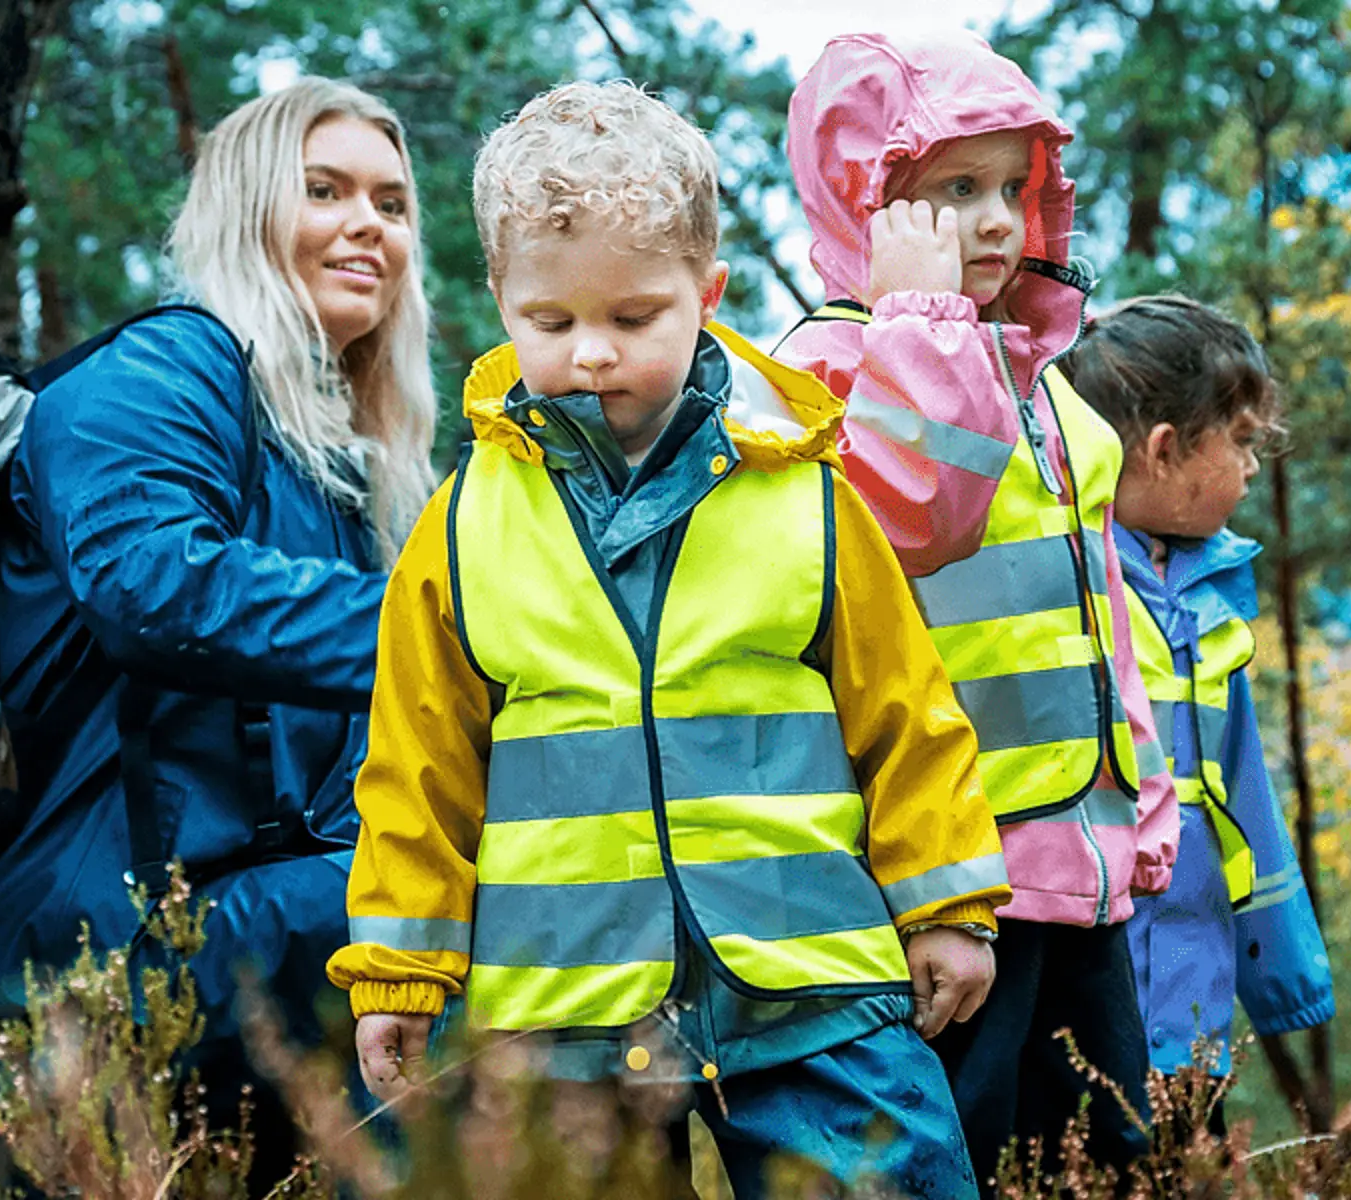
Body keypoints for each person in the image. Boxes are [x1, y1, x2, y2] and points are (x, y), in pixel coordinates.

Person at [327, 81, 1008, 1199]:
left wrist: (946, 905)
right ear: (500, 297)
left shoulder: (806, 489)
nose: (591, 353)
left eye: (634, 318)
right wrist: (400, 971)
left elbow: (905, 709)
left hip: (813, 980)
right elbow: (417, 764)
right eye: (550, 323)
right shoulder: (459, 526)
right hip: (562, 1006)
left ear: (708, 291)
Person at [0, 77, 434, 1199]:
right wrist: (454, 626)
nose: (371, 222)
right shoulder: (163, 370)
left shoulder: (338, 464)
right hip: (57, 966)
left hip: (215, 943)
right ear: (245, 211)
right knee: (442, 907)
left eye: (393, 203)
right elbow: (151, 585)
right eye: (324, 191)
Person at [776, 29, 1179, 1176]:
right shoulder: (832, 368)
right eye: (955, 191)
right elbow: (921, 515)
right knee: (964, 1153)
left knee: (1102, 1159)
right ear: (868, 205)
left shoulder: (1042, 385)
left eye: (1015, 187)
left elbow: (1102, 620)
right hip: (955, 883)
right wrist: (921, 325)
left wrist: (1140, 795)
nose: (1000, 220)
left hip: (1076, 870)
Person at [1061, 296, 1336, 1094]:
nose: (1254, 468)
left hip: (1194, 996)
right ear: (1164, 448)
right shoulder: (1069, 574)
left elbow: (1248, 798)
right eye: (1242, 442)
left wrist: (1288, 976)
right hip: (1093, 987)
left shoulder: (1213, 601)